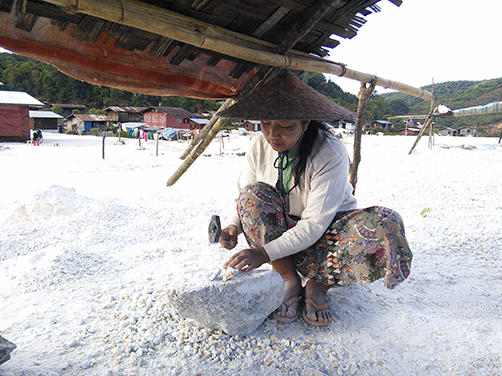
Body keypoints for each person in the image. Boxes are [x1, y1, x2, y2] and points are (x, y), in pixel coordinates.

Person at [216, 70, 412, 326]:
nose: (273, 135)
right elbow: (246, 197)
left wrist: (263, 254)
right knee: (252, 195)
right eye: (265, 124)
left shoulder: (329, 151)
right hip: (283, 234)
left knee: (386, 222)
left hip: (329, 235)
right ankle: (289, 278)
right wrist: (233, 226)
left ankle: (319, 284)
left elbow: (315, 224)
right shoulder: (258, 146)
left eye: (286, 126)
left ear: (306, 123)